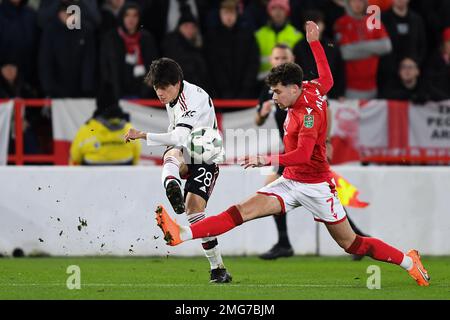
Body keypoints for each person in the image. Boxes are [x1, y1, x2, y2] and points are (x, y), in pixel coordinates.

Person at [155, 21, 430, 287]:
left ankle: (409, 261)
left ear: (294, 88)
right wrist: (314, 43)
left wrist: (267, 159)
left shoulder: (307, 116)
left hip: (316, 186)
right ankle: (181, 234)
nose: (274, 98)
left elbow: (302, 154)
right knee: (240, 211)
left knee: (351, 243)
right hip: (290, 183)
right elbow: (328, 77)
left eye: (277, 92)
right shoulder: (311, 87)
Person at [124, 58, 232, 283]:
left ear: (177, 83)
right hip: (187, 152)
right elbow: (177, 135)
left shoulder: (192, 100)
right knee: (172, 152)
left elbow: (181, 136)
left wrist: (143, 135)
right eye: (156, 88)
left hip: (205, 156)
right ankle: (172, 184)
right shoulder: (173, 97)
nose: (160, 94)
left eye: (164, 88)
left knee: (194, 213)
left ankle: (218, 269)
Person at [334, 0, 392, 99]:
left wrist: (356, 47)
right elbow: (344, 53)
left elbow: (386, 47)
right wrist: (373, 51)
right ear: (348, 3)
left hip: (373, 85)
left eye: (360, 1)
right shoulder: (341, 23)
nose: (357, 4)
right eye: (354, 1)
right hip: (350, 87)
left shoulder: (374, 21)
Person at [100, 2, 158, 100]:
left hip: (142, 98)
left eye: (135, 15)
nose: (131, 19)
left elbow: (154, 67)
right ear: (122, 17)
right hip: (116, 96)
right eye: (127, 15)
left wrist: (145, 91)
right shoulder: (111, 38)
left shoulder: (146, 39)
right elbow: (105, 68)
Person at [38, 0, 96, 97]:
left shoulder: (85, 30)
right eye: (65, 12)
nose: (68, 16)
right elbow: (45, 61)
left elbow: (89, 61)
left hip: (81, 91)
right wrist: (48, 88)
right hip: (56, 90)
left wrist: (87, 87)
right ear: (59, 13)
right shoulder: (50, 31)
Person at [204, 0, 259, 99]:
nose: (229, 17)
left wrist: (246, 87)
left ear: (237, 14)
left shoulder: (247, 36)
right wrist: (221, 89)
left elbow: (253, 62)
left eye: (232, 12)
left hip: (244, 92)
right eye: (225, 13)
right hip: (218, 93)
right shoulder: (211, 37)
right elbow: (211, 65)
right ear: (220, 14)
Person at [69, 90, 141, 166]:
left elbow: (74, 160)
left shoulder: (87, 129)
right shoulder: (129, 129)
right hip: (122, 177)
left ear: (98, 106)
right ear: (117, 104)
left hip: (92, 177)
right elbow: (136, 160)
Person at [255, 0, 304, 82]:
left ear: (287, 12)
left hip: (289, 81)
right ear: (269, 12)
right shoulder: (259, 35)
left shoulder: (297, 36)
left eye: (281, 8)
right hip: (263, 81)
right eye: (274, 8)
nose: (278, 12)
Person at [162, 6, 209, 91]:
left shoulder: (199, 48)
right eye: (186, 26)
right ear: (179, 27)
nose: (189, 30)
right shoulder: (172, 45)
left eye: (192, 27)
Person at [380, 56, 449, 103]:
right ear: (399, 72)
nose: (407, 70)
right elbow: (383, 98)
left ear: (417, 71)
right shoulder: (392, 86)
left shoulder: (424, 86)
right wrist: (411, 97)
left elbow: (444, 99)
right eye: (403, 67)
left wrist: (427, 97)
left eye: (410, 67)